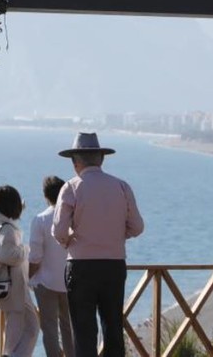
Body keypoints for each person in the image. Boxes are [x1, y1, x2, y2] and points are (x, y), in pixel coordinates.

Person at [52, 132, 145, 357]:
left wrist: (70, 238)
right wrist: (115, 234)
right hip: (113, 265)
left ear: (76, 163)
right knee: (113, 327)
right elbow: (137, 227)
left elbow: (58, 231)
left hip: (81, 267)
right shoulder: (121, 186)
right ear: (101, 159)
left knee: (84, 332)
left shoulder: (71, 188)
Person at [0, 185, 39, 357]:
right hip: (13, 285)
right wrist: (26, 248)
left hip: (7, 284)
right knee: (20, 330)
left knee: (25, 327)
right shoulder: (6, 228)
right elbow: (8, 255)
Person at [29, 176, 74, 357]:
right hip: (71, 282)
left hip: (46, 283)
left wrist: (24, 278)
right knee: (70, 329)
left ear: (45, 196)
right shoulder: (74, 218)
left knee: (50, 331)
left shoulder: (40, 220)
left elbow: (35, 257)